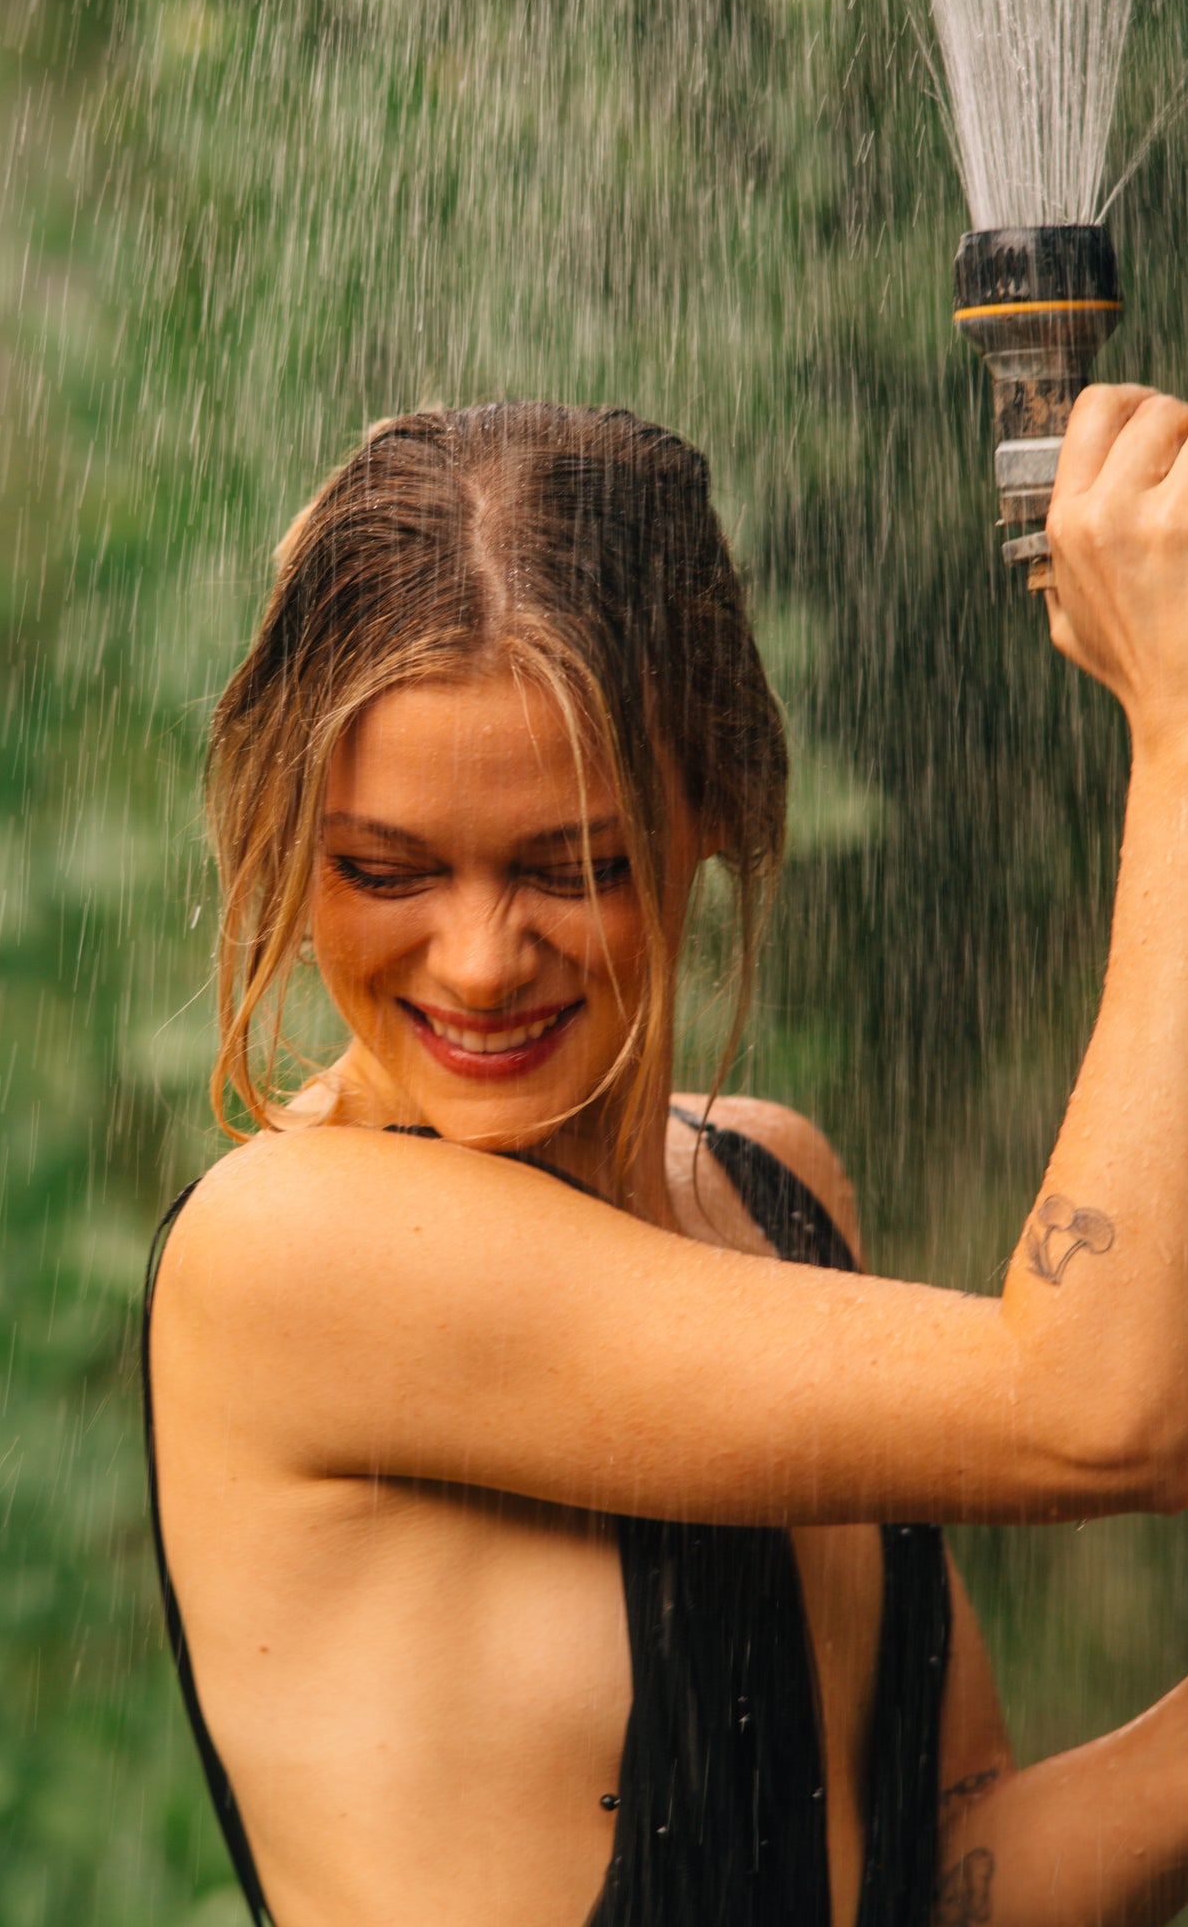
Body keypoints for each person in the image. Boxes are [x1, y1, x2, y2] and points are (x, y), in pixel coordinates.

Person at [142, 390, 1188, 1927]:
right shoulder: (297, 1255)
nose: (482, 957)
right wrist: (1173, 729)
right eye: (383, 871)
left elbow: (939, 1887)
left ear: (714, 798)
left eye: (573, 866)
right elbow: (1102, 1413)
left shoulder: (771, 1189)